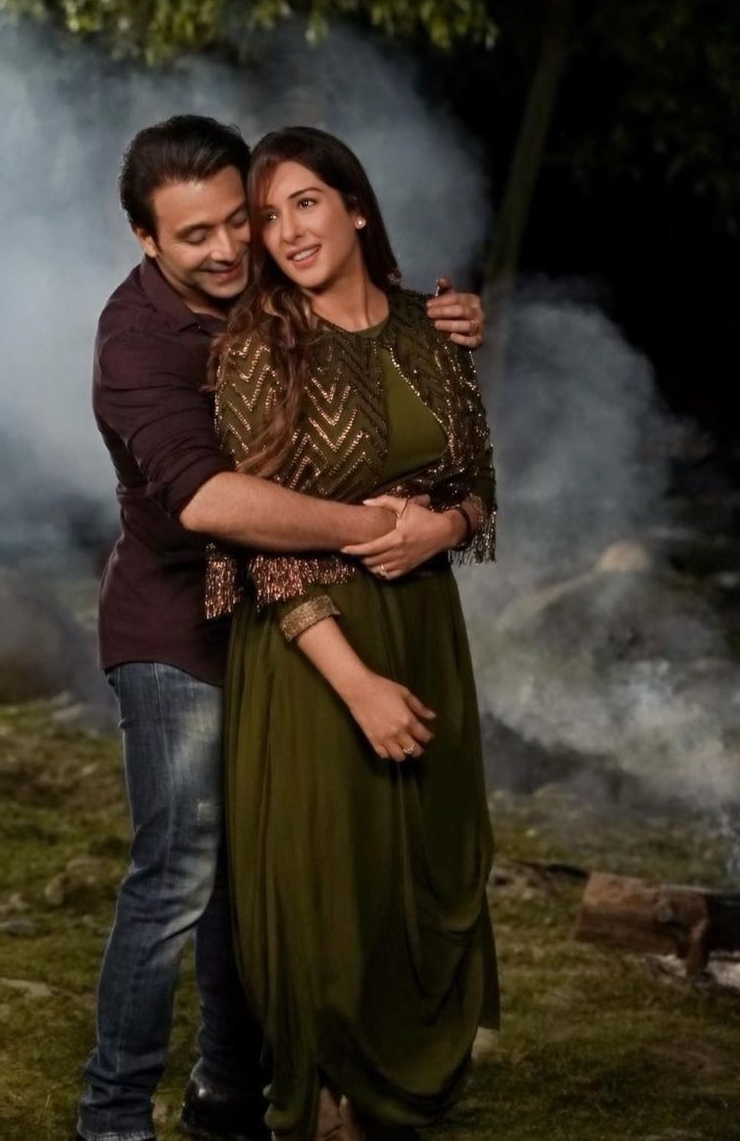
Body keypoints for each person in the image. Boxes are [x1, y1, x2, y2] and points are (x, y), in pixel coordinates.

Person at [80, 115, 487, 1141]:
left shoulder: (282, 296)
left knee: (255, 874)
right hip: (178, 629)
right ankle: (112, 1116)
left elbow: (380, 346)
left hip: (290, 624)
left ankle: (230, 1091)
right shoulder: (137, 342)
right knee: (183, 871)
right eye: (196, 235)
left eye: (242, 220)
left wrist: (439, 325)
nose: (230, 248)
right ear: (144, 239)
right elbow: (212, 501)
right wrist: (379, 528)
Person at [206, 126, 500, 1141]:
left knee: (420, 867)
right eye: (268, 216)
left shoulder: (435, 327)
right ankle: (327, 1094)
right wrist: (358, 684)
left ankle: (407, 1088)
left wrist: (441, 528)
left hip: (424, 621)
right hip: (313, 645)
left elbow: (478, 485)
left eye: (306, 203)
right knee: (328, 885)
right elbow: (256, 538)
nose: (288, 231)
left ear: (356, 207)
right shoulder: (257, 348)